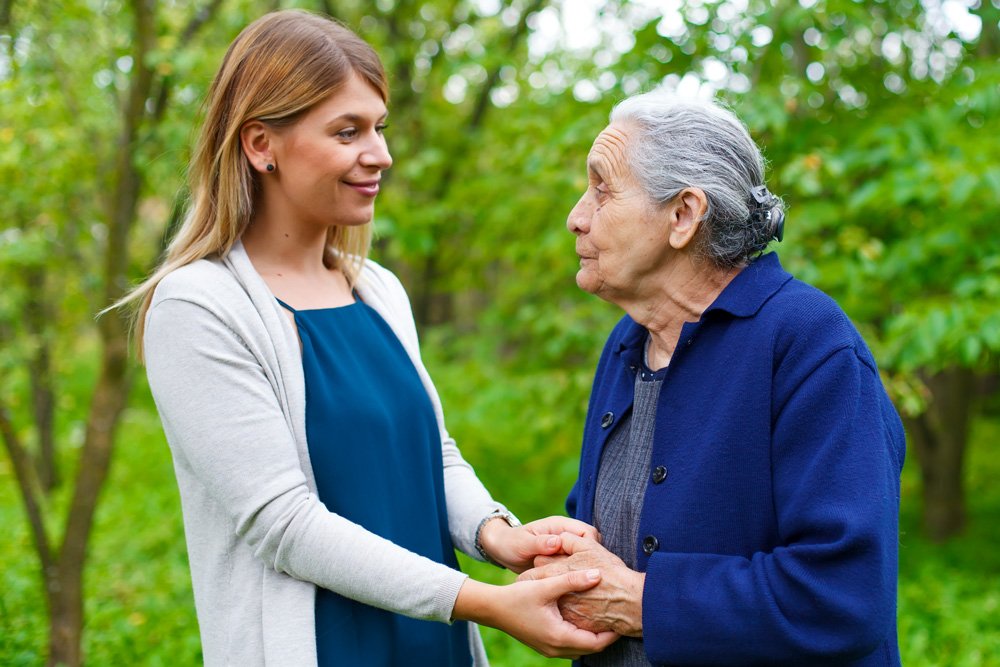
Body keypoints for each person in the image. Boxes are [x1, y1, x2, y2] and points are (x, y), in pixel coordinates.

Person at [116, 10, 616, 666]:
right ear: (260, 144)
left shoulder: (377, 289)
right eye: (347, 131)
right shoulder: (199, 307)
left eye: (379, 127)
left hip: (434, 644)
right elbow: (285, 526)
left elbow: (429, 454)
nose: (380, 154)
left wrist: (497, 535)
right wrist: (485, 600)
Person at [519, 90, 906, 666]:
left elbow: (843, 596)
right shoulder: (629, 342)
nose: (576, 216)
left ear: (683, 216)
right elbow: (618, 529)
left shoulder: (809, 344)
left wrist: (643, 601)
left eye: (601, 189)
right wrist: (567, 555)